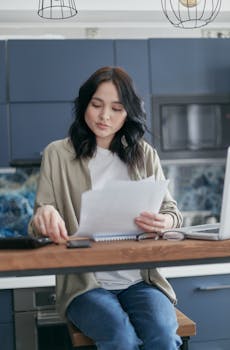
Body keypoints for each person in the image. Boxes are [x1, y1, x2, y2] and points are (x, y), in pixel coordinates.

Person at [29, 66, 183, 350]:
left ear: (128, 114)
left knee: (163, 336)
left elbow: (172, 212)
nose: (104, 116)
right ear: (84, 104)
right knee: (121, 338)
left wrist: (166, 222)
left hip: (140, 280)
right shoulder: (57, 153)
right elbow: (41, 213)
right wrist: (43, 215)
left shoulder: (145, 154)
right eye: (96, 105)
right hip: (85, 285)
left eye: (116, 108)